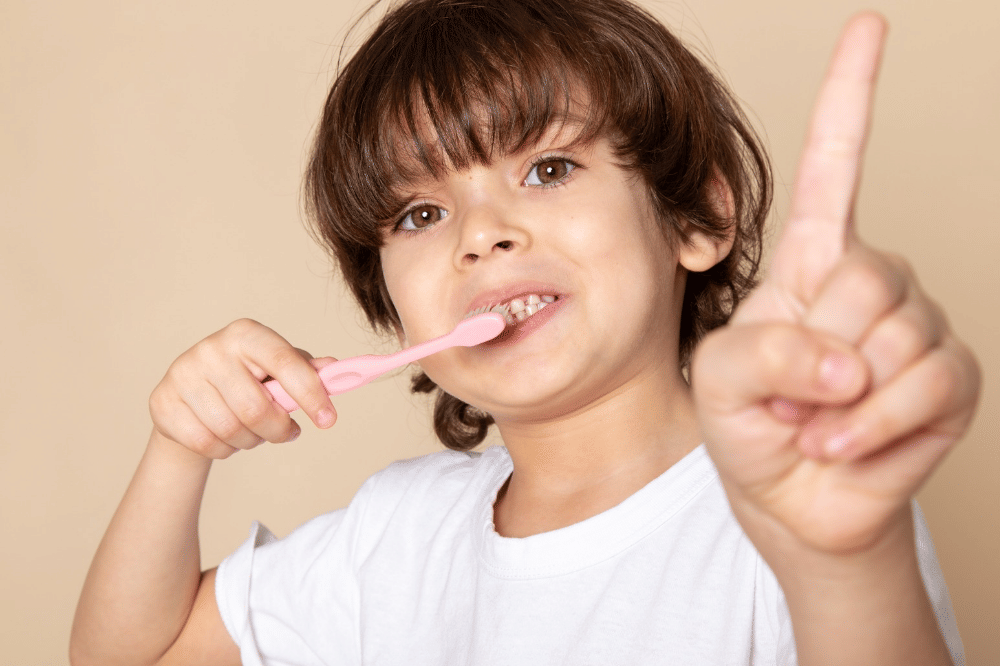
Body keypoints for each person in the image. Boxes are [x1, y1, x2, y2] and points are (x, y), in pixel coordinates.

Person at [70, 0, 981, 664]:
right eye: (421, 215)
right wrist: (178, 447)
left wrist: (848, 567)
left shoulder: (795, 514)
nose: (480, 234)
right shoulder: (395, 534)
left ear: (697, 217)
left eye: (548, 167)